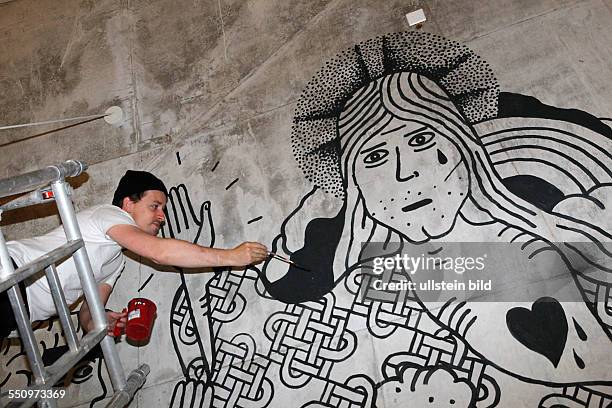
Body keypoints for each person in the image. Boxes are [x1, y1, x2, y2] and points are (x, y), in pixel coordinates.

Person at [258, 35, 612, 385]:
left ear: (461, 145)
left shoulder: (543, 232)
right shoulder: (372, 289)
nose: (404, 171)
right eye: (375, 157)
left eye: (420, 140)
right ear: (356, 185)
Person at [0, 170, 268, 338]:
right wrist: (230, 257)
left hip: (18, 313)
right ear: (128, 202)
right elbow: (159, 252)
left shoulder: (116, 262)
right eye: (155, 206)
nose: (161, 216)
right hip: (9, 274)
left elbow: (87, 315)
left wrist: (101, 321)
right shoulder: (108, 214)